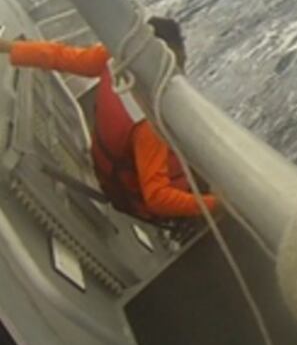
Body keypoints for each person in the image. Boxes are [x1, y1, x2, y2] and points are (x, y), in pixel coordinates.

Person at [0, 17, 217, 221]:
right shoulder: (149, 123)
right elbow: (157, 198)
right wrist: (216, 205)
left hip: (113, 176)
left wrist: (10, 48)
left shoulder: (114, 60)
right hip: (138, 200)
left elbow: (60, 56)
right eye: (177, 63)